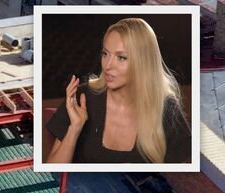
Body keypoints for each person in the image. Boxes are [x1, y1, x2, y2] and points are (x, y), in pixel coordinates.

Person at [46, 18, 191, 164]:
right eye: (105, 54)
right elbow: (52, 171)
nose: (108, 65)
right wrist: (74, 128)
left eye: (121, 57)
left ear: (143, 62)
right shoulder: (81, 97)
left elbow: (184, 176)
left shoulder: (166, 108)